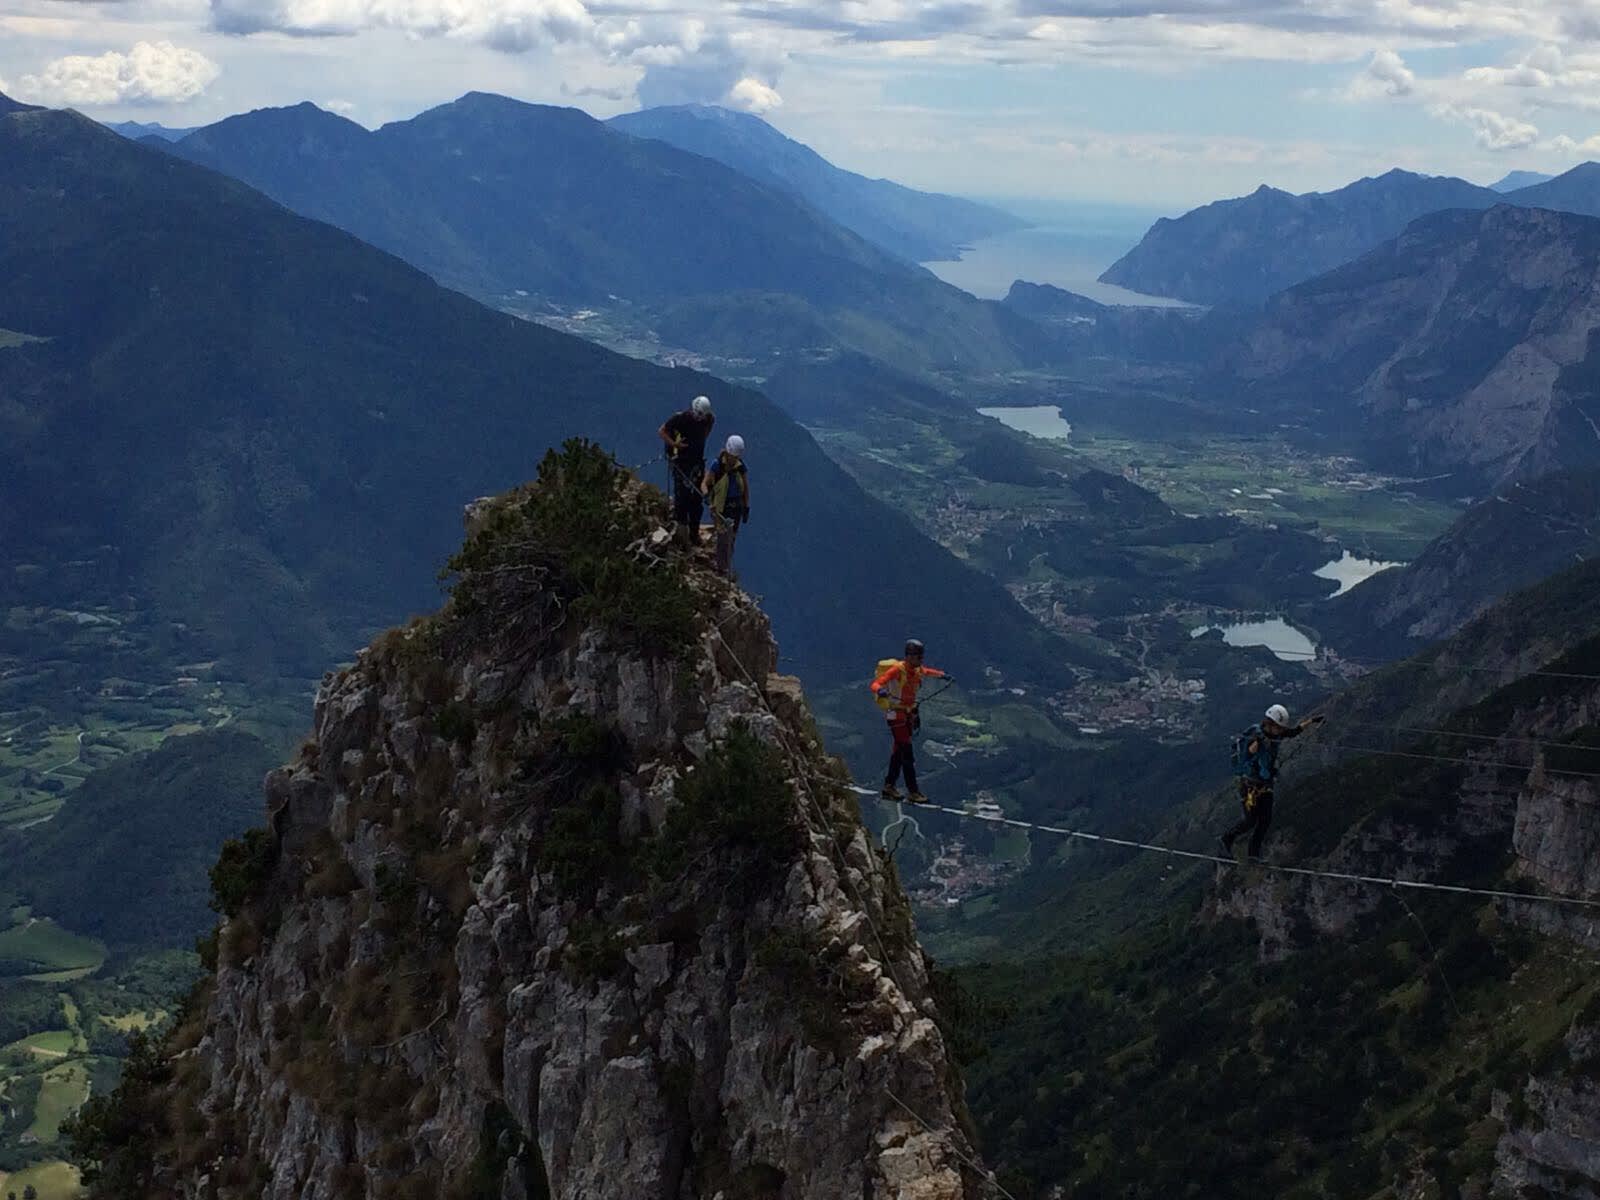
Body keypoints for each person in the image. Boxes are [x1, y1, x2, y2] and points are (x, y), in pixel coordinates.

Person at [1220, 703, 1325, 861]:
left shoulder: (1275, 734)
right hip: (1250, 785)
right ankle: (1226, 840)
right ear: (1270, 724)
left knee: (1265, 820)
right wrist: (1255, 747)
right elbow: (1248, 756)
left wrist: (1311, 721)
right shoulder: (1256, 737)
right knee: (1250, 821)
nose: (1281, 731)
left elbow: (1293, 732)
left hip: (1264, 784)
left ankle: (1253, 854)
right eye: (1279, 728)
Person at [870, 640, 951, 805]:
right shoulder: (897, 670)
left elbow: (927, 671)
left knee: (898, 753)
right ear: (909, 656)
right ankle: (913, 791)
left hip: (907, 714)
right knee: (907, 753)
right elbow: (875, 684)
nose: (921, 660)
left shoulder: (916, 669)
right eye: (918, 657)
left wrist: (942, 675)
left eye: (921, 657)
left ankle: (889, 786)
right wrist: (880, 690)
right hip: (896, 714)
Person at [659, 395, 714, 545]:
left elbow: (708, 428)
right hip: (682, 463)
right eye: (699, 414)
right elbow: (662, 431)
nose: (700, 418)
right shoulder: (681, 418)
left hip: (696, 463)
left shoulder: (708, 419)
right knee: (682, 499)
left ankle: (693, 534)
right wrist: (675, 445)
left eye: (702, 415)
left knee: (696, 500)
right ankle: (682, 537)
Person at [702, 435, 750, 578]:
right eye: (733, 456)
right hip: (721, 506)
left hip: (736, 507)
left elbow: (746, 488)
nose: (735, 459)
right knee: (723, 536)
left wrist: (746, 507)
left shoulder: (740, 467)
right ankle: (721, 567)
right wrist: (706, 496)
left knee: (731, 537)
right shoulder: (717, 465)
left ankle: (724, 565)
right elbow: (705, 483)